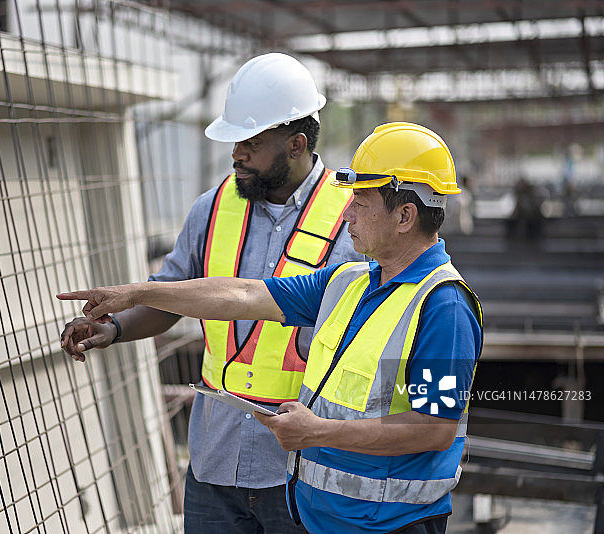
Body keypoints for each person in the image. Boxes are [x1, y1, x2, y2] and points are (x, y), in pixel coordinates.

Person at [57, 122, 483, 534]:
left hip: (390, 525)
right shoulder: (349, 283)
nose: (347, 212)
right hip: (327, 520)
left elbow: (434, 427)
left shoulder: (442, 307)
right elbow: (242, 294)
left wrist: (318, 432)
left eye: (361, 202)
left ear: (405, 215)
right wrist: (135, 295)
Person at [58, 53, 360, 533]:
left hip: (305, 464)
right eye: (236, 140)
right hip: (216, 461)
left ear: (297, 144)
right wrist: (111, 328)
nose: (237, 153)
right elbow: (168, 297)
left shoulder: (354, 220)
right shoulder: (213, 207)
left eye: (252, 143)